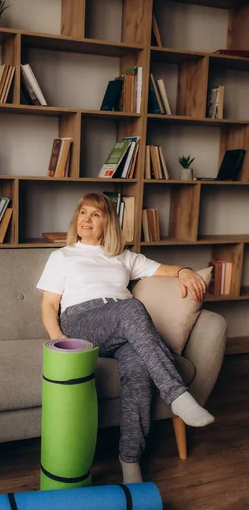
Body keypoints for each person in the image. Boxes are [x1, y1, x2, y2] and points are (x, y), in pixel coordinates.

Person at [36, 192, 214, 484]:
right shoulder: (62, 256)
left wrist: (183, 271)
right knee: (130, 307)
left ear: (108, 223)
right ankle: (177, 395)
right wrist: (60, 341)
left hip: (124, 327)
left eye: (95, 214)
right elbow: (49, 305)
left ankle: (130, 460)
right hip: (83, 322)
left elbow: (164, 270)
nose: (86, 219)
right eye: (83, 213)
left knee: (138, 369)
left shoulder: (124, 257)